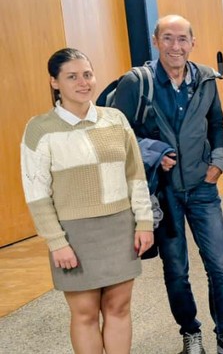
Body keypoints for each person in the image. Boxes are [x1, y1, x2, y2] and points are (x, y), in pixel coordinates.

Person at [110, 15, 223, 354]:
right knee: (176, 269)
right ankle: (190, 333)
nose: (176, 46)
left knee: (221, 266)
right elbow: (118, 131)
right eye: (168, 38)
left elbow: (216, 122)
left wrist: (218, 160)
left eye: (182, 39)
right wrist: (155, 152)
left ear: (192, 43)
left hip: (203, 188)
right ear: (156, 41)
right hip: (164, 191)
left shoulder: (204, 79)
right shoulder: (137, 82)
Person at [20, 48, 155, 354]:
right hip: (74, 235)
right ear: (55, 82)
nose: (83, 83)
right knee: (84, 314)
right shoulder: (39, 129)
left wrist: (143, 223)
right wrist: (57, 242)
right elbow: (37, 194)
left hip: (119, 227)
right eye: (72, 77)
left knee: (119, 308)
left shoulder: (115, 119)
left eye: (87, 74)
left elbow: (136, 176)